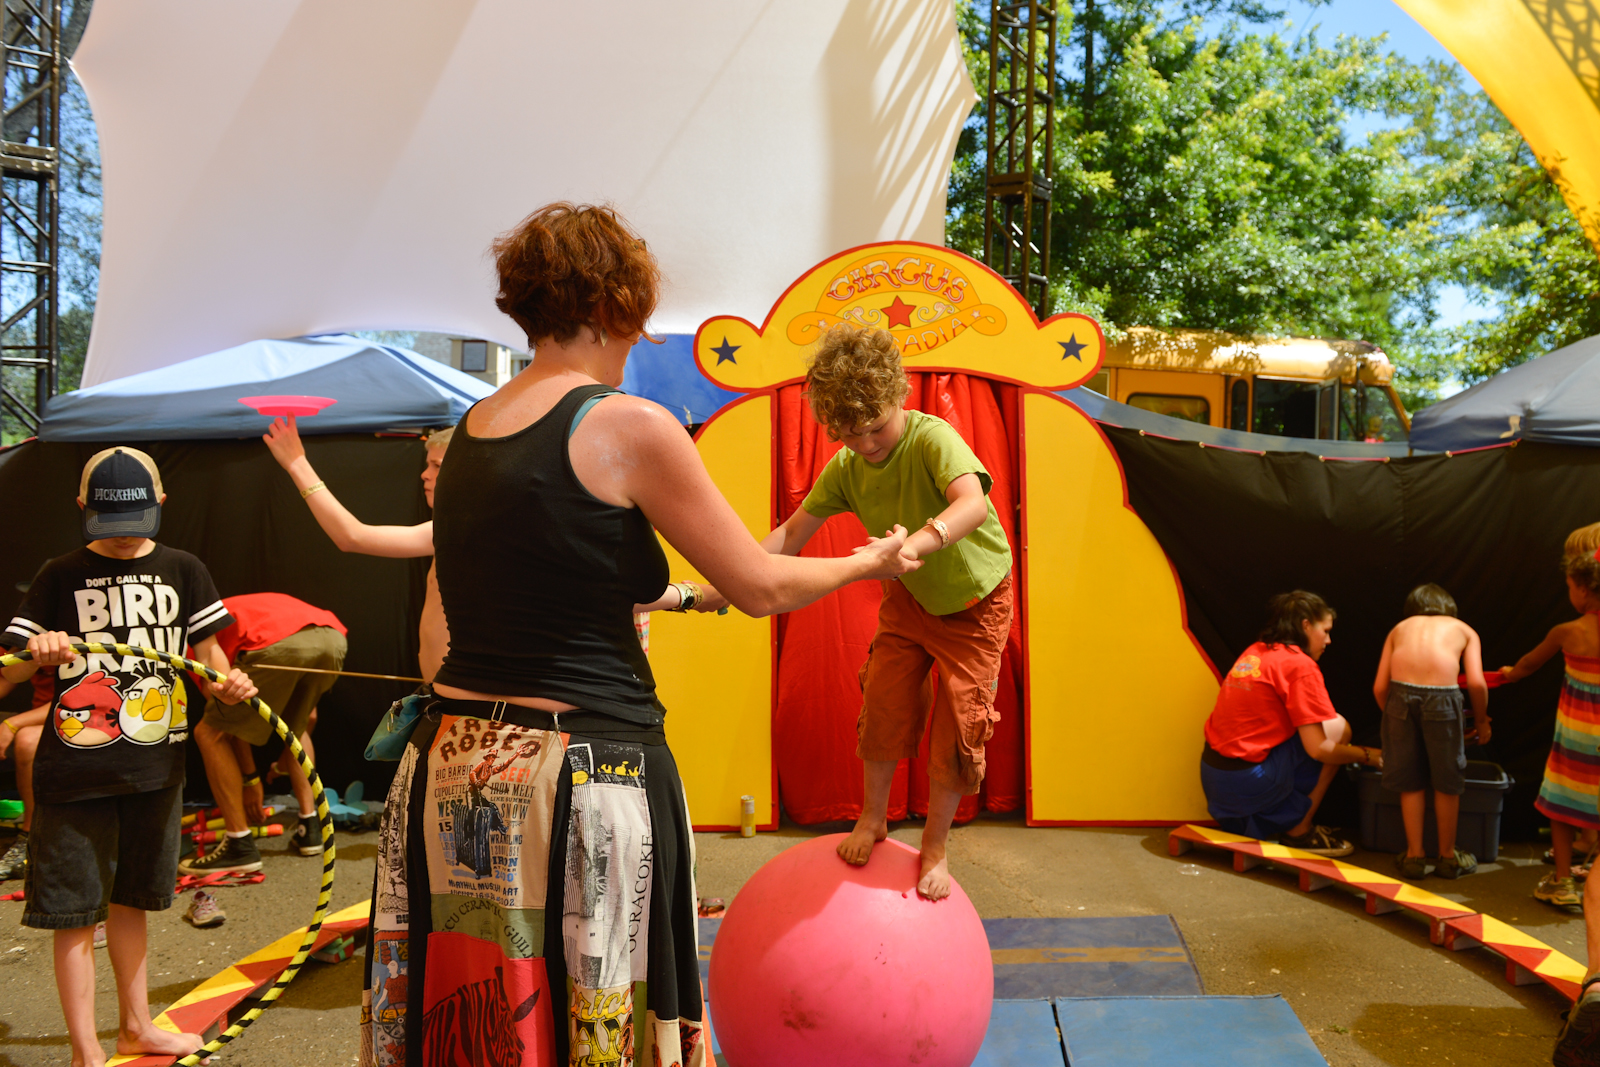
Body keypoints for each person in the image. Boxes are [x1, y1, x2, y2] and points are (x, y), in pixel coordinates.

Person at [363, 202, 917, 1067]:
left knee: (479, 1025)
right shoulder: (626, 425)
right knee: (597, 1022)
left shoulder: (468, 433)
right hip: (579, 781)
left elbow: (456, 623)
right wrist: (867, 564)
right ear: (617, 305)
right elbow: (762, 584)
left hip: (450, 773)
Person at [0, 446, 255, 1067]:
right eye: (106, 526)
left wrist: (229, 684)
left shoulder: (184, 569)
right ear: (82, 507)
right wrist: (37, 654)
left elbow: (208, 662)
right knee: (73, 914)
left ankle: (135, 1029)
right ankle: (87, 1053)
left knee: (134, 901)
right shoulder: (59, 574)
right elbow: (3, 678)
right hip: (75, 773)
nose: (120, 540)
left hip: (156, 767)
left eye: (134, 523)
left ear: (161, 503)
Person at [757, 323, 1013, 901]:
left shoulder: (932, 438)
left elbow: (972, 503)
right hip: (911, 600)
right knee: (884, 702)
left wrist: (913, 546)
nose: (866, 444)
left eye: (875, 428)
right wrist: (736, 570)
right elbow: (793, 533)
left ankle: (936, 846)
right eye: (848, 435)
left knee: (957, 727)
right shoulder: (847, 468)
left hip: (976, 603)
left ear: (899, 398)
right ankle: (873, 818)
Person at [265, 421, 451, 680]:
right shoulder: (454, 528)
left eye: (437, 466)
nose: (424, 474)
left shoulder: (460, 529)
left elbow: (351, 536)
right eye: (428, 464)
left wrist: (297, 464)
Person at [1199, 590, 1380, 856]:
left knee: (1319, 731)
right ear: (1306, 625)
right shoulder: (1299, 665)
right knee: (1338, 729)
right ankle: (1300, 832)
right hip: (1247, 785)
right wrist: (1370, 755)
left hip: (1215, 782)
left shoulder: (1256, 651)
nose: (1328, 640)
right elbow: (1320, 750)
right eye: (1326, 630)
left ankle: (1279, 822)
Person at [181, 593, 349, 874]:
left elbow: (227, 726)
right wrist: (282, 764)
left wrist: (251, 782)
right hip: (332, 639)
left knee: (210, 733)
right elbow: (310, 718)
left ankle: (239, 845)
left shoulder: (197, 637)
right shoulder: (244, 608)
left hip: (275, 641)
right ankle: (311, 828)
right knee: (294, 728)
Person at [1500, 549, 1600, 908]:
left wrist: (1511, 673)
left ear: (1584, 591)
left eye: (1570, 586)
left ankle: (1561, 882)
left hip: (1576, 737)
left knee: (1563, 805)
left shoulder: (1567, 631)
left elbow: (1528, 664)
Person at [1371, 583, 1489, 880]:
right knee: (1447, 780)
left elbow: (1379, 687)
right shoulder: (1464, 630)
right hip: (1443, 699)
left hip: (1399, 698)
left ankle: (1414, 857)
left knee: (1410, 780)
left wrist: (1394, 715)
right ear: (1448, 608)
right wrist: (1482, 720)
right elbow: (1475, 683)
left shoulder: (1399, 629)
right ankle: (1448, 858)